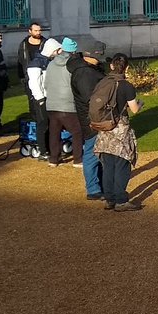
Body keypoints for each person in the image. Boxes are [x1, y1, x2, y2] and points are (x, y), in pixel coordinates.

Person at [91, 54, 143, 212]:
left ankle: (109, 199)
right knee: (122, 164)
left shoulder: (103, 83)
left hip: (104, 129)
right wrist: (140, 104)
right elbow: (134, 109)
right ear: (126, 68)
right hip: (120, 130)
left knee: (108, 166)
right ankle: (121, 200)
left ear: (112, 66)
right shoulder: (126, 86)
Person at [68, 45, 106, 199]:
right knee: (91, 153)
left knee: (98, 152)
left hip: (94, 117)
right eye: (99, 53)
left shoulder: (87, 69)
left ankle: (99, 185)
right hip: (92, 119)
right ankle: (93, 189)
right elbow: (91, 99)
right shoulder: (85, 73)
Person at [44, 38, 84, 167]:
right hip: (67, 103)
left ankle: (53, 159)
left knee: (54, 132)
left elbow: (46, 84)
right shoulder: (74, 64)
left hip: (52, 103)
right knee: (77, 131)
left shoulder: (50, 64)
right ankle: (78, 159)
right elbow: (76, 84)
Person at [25, 38, 62, 153]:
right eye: (58, 50)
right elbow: (34, 83)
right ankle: (43, 150)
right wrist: (40, 98)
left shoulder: (48, 61)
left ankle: (50, 147)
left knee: (50, 123)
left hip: (50, 97)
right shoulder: (36, 63)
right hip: (41, 98)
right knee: (43, 124)